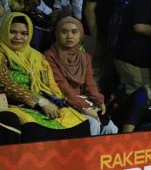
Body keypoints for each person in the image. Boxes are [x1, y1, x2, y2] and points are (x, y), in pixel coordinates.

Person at [0, 12, 90, 142]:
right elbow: (6, 84)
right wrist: (40, 102)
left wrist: (61, 103)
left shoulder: (37, 57)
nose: (18, 37)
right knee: (34, 129)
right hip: (16, 104)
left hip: (45, 102)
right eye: (12, 32)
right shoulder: (2, 53)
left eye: (24, 33)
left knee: (80, 122)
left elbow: (51, 85)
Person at [44, 16, 112, 135]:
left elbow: (90, 83)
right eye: (64, 32)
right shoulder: (50, 56)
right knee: (93, 125)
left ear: (80, 34)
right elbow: (62, 87)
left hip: (83, 101)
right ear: (57, 34)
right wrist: (83, 108)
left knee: (110, 128)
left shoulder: (84, 57)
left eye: (74, 32)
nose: (69, 36)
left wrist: (99, 101)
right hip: (62, 101)